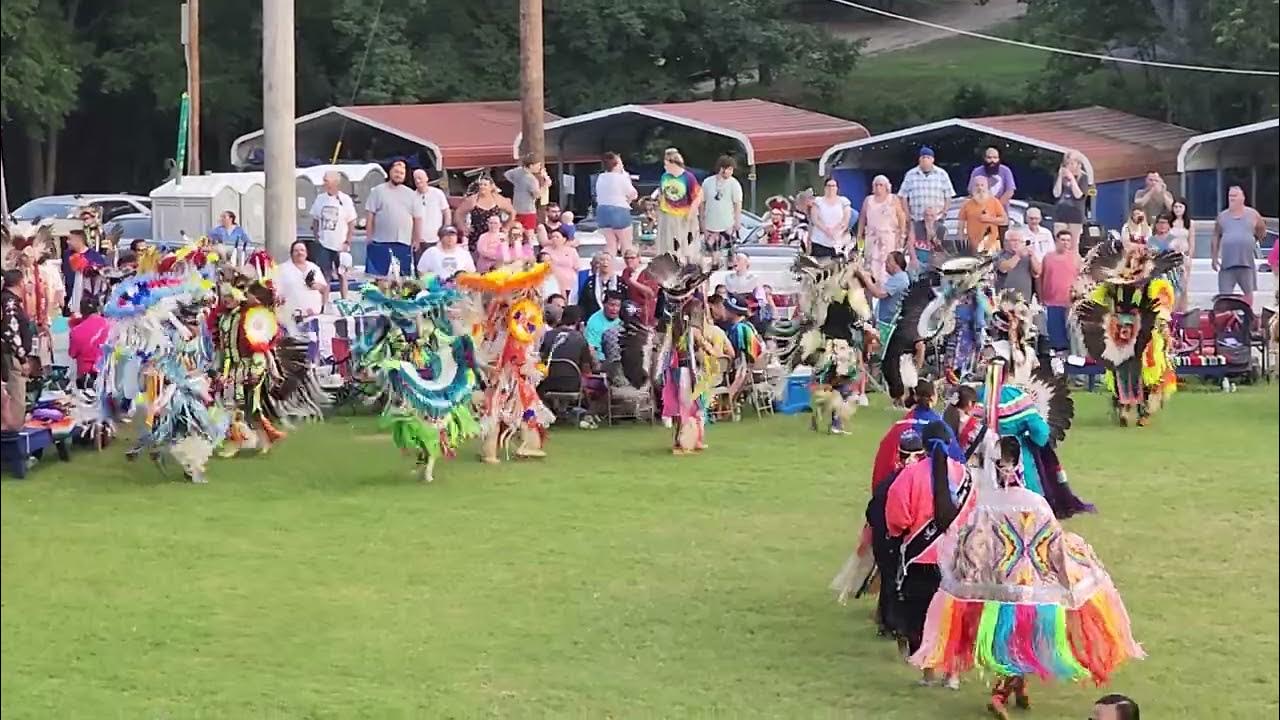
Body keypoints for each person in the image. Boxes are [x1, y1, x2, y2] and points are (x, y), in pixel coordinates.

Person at [885, 420, 973, 688]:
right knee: (954, 616)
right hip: (956, 561)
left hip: (920, 560)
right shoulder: (965, 476)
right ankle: (953, 673)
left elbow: (897, 518)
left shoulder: (909, 477)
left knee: (921, 617)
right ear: (949, 444)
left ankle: (928, 673)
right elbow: (974, 518)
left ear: (922, 446)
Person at [365, 159, 423, 279]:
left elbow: (417, 218)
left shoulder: (411, 194)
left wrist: (416, 239)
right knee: (378, 276)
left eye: (401, 173)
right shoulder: (378, 191)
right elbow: (370, 214)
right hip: (380, 240)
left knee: (403, 276)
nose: (398, 175)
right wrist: (369, 236)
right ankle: (378, 297)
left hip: (403, 241)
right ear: (390, 172)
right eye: (396, 172)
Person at [1211, 185, 1267, 303]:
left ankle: (1248, 318)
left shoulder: (1253, 214)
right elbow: (1216, 236)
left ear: (1242, 198)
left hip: (1246, 263)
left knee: (1248, 294)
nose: (1231, 198)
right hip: (1227, 264)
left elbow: (1262, 229)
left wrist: (1254, 240)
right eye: (1230, 196)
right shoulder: (1222, 216)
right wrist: (1214, 257)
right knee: (1225, 297)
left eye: (1235, 196)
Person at [899, 146, 956, 247]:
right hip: (917, 220)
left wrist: (944, 213)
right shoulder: (910, 174)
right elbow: (903, 196)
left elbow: (948, 195)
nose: (925, 160)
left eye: (928, 157)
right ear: (919, 159)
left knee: (938, 247)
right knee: (919, 247)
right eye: (923, 157)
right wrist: (907, 216)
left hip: (936, 219)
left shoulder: (942, 174)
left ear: (933, 159)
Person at [654, 148, 703, 263]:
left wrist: (692, 212)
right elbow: (662, 194)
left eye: (667, 164)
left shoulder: (688, 177)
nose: (665, 167)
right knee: (668, 245)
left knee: (684, 245)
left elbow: (698, 196)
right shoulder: (665, 176)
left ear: (674, 164)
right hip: (667, 215)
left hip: (683, 217)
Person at [1, 269, 34, 432]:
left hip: (11, 354)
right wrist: (22, 358)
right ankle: (14, 437)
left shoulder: (9, 301)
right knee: (16, 397)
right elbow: (11, 332)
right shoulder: (9, 303)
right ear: (19, 283)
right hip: (12, 355)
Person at [309, 171, 357, 280]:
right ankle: (325, 297)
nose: (324, 183)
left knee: (342, 274)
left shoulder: (345, 200)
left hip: (340, 244)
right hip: (324, 244)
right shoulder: (320, 199)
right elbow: (315, 219)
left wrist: (348, 241)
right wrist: (316, 237)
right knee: (325, 275)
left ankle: (344, 297)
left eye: (326, 181)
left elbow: (351, 222)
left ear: (335, 182)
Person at [858, 174, 907, 279]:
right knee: (870, 265)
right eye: (876, 185)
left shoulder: (893, 199)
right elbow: (862, 218)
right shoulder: (868, 200)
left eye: (881, 185)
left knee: (887, 264)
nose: (878, 187)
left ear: (886, 187)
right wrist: (859, 235)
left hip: (888, 237)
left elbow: (901, 218)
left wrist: (902, 235)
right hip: (872, 237)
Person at [539, 305, 595, 394]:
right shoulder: (580, 339)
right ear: (579, 321)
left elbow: (541, 359)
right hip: (572, 385)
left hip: (547, 383)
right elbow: (586, 370)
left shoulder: (547, 335)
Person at [276, 240, 330, 331]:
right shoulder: (282, 269)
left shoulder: (314, 268)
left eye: (302, 250)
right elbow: (275, 290)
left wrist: (317, 286)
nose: (299, 253)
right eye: (296, 250)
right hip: (290, 318)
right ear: (291, 253)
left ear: (306, 253)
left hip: (313, 316)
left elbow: (325, 289)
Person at [1040, 230, 1079, 353]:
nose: (1065, 243)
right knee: (1056, 337)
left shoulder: (1076, 258)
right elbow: (1041, 278)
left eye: (1068, 240)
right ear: (1056, 241)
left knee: (1072, 336)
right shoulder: (1047, 257)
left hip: (1071, 303)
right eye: (1062, 240)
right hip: (1052, 301)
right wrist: (1041, 297)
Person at [454, 175, 514, 253]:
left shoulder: (498, 199)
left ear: (491, 187)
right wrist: (463, 227)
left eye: (485, 185)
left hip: (494, 236)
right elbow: (459, 213)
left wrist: (506, 226)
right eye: (480, 185)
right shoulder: (472, 200)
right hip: (477, 235)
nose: (482, 187)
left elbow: (512, 212)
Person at [595, 152, 639, 256]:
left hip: (602, 211)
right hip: (619, 210)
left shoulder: (600, 177)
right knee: (626, 244)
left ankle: (608, 266)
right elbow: (633, 194)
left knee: (610, 244)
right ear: (617, 164)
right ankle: (628, 268)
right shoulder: (622, 178)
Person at [701, 155, 744, 257]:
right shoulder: (707, 182)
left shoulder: (734, 184)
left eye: (731, 169)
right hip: (710, 225)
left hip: (727, 225)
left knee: (730, 254)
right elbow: (702, 203)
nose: (730, 172)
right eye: (728, 169)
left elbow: (737, 204)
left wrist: (737, 222)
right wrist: (702, 223)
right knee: (711, 254)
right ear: (721, 168)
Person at [957, 175, 1007, 255]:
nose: (980, 188)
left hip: (992, 244)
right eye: (977, 185)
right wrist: (962, 240)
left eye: (982, 185)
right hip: (974, 246)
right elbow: (960, 226)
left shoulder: (994, 201)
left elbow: (1004, 220)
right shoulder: (967, 204)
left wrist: (989, 219)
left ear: (987, 187)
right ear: (973, 187)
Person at [68, 296, 109, 390]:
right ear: (97, 309)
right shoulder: (108, 325)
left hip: (84, 376)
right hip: (105, 374)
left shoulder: (76, 331)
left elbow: (72, 353)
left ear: (81, 312)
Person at [1052, 151, 1090, 250]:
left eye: (1072, 163)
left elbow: (1079, 195)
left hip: (1075, 216)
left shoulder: (1083, 177)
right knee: (1059, 244)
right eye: (1067, 164)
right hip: (1060, 215)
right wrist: (1060, 177)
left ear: (1078, 164)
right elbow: (1056, 194)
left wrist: (1072, 179)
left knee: (1073, 246)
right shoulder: (1060, 176)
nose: (1069, 166)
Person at [504, 153, 550, 233]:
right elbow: (537, 195)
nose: (539, 168)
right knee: (529, 234)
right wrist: (546, 185)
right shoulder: (531, 179)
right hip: (528, 211)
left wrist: (516, 182)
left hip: (516, 209)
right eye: (538, 165)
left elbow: (506, 174)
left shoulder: (517, 171)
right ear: (531, 166)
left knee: (515, 233)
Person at [808, 177, 852, 259]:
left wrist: (836, 230)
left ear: (837, 188)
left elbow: (846, 219)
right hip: (820, 241)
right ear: (825, 188)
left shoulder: (844, 201)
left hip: (838, 242)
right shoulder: (818, 201)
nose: (831, 188)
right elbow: (815, 219)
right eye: (829, 186)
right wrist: (827, 230)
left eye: (833, 186)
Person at [994, 228, 1040, 302]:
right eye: (1014, 240)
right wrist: (1018, 255)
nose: (1017, 243)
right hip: (1004, 299)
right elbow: (1006, 267)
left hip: (1024, 299)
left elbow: (1038, 271)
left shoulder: (1027, 256)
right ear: (1005, 242)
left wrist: (1033, 256)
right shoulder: (999, 255)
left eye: (1020, 241)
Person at [412, 168, 451, 250]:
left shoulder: (437, 193)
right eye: (415, 179)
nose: (418, 181)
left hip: (437, 239)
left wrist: (445, 232)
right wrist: (415, 239)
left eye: (420, 178)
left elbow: (446, 213)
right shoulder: (411, 196)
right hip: (419, 241)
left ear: (426, 178)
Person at [1168, 197, 1195, 311]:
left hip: (1184, 258)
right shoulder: (1169, 222)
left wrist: (1189, 257)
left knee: (1183, 287)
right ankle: (1172, 311)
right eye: (1176, 207)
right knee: (1172, 286)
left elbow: (1192, 242)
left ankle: (1183, 311)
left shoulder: (1190, 223)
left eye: (1180, 207)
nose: (1178, 209)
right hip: (1171, 258)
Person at [619, 248, 657, 327]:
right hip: (630, 313)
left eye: (632, 258)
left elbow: (651, 293)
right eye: (626, 258)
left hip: (645, 313)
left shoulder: (648, 272)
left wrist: (634, 283)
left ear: (638, 258)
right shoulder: (626, 272)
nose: (629, 260)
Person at [578, 252, 621, 320]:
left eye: (608, 260)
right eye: (602, 260)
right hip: (593, 319)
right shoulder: (590, 282)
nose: (605, 262)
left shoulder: (620, 282)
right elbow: (583, 303)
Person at [543, 227, 581, 301]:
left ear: (564, 239)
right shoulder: (545, 251)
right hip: (554, 285)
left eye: (557, 237)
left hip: (570, 284)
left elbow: (577, 267)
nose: (554, 239)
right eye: (552, 237)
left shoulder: (571, 251)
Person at [585, 292, 624, 361]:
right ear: (604, 304)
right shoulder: (594, 322)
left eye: (618, 306)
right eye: (612, 305)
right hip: (603, 361)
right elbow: (591, 348)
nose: (615, 309)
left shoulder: (623, 317)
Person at [910, 204, 947, 272]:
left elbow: (942, 250)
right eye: (926, 215)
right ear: (923, 216)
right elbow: (910, 244)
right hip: (918, 260)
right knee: (912, 269)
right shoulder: (916, 226)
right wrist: (913, 259)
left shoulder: (942, 229)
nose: (929, 218)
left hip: (934, 262)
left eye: (931, 215)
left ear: (936, 217)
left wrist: (932, 235)